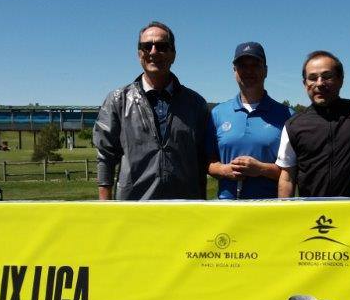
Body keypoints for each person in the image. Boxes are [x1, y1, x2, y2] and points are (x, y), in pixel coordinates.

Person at [93, 21, 210, 200]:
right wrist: (105, 206)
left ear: (173, 55)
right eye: (147, 46)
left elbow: (203, 159)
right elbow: (105, 156)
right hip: (134, 209)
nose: (154, 52)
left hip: (185, 210)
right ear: (139, 53)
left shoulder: (196, 104)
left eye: (162, 46)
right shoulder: (118, 100)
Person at [277, 51, 350, 197]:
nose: (319, 83)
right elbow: (287, 177)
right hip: (312, 214)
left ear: (340, 80)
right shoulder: (293, 125)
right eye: (312, 78)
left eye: (327, 76)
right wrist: (283, 214)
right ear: (305, 84)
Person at [208, 42, 292, 199]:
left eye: (255, 65)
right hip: (227, 211)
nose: (248, 71)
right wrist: (224, 170)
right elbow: (208, 162)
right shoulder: (218, 113)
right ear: (234, 71)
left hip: (268, 210)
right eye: (242, 66)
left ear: (265, 71)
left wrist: (260, 169)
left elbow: (293, 172)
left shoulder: (287, 115)